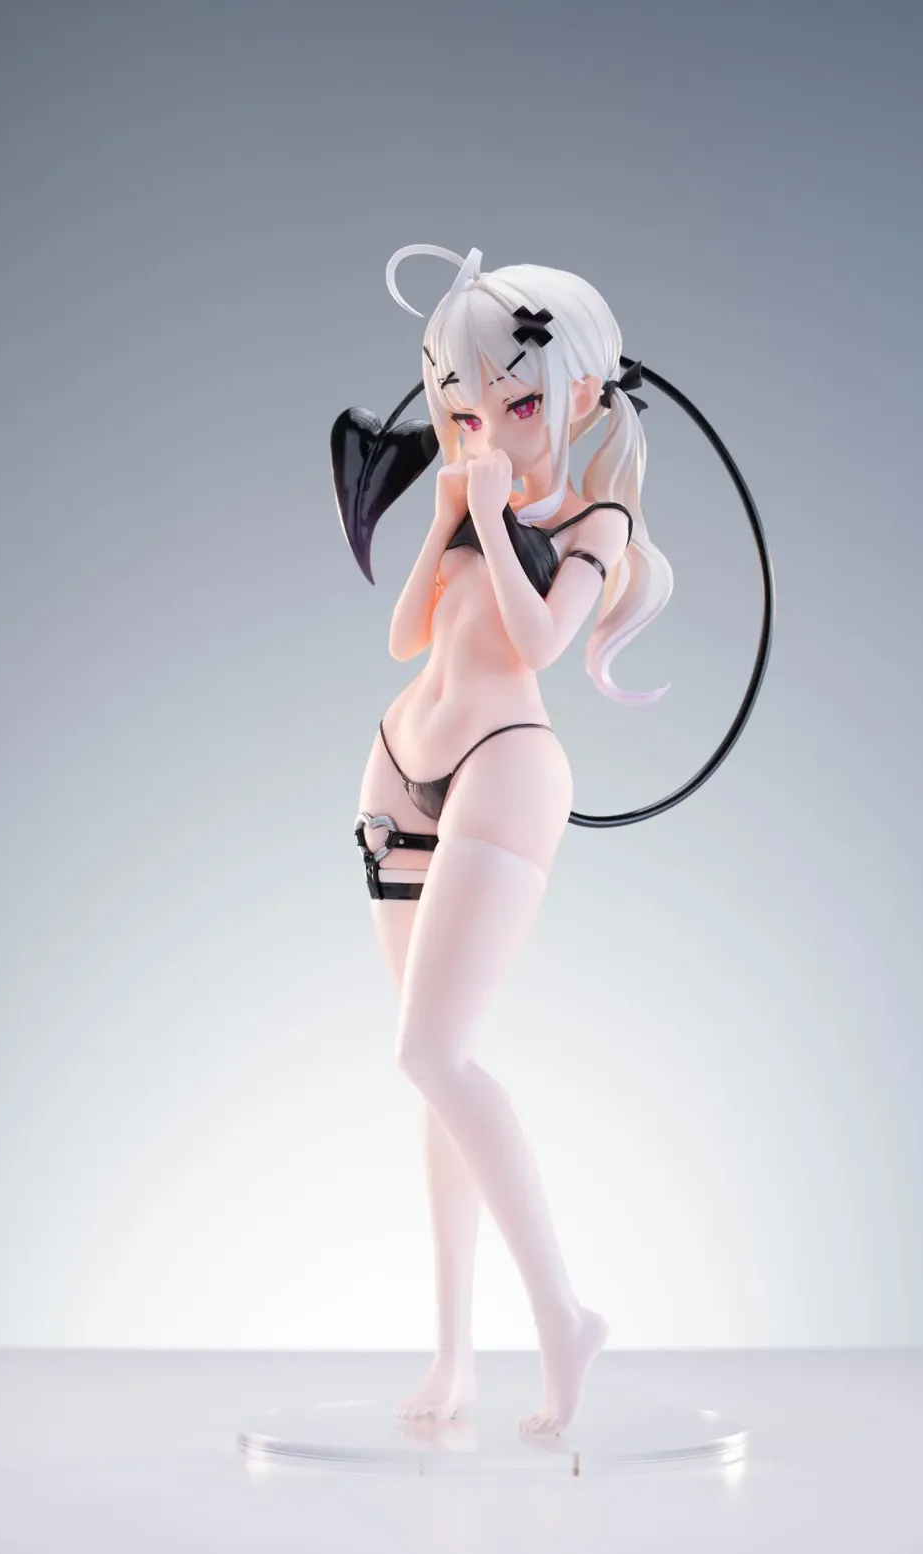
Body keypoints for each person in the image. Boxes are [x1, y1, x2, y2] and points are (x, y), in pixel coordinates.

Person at [349, 243, 673, 1436]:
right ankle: (453, 1361)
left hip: (504, 768)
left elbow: (538, 645)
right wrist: (446, 514)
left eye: (516, 400)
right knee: (431, 1072)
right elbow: (404, 636)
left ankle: (561, 1316)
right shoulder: (470, 495)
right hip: (399, 764)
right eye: (462, 400)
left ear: (580, 392)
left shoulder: (596, 520)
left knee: (433, 1056)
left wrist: (489, 513)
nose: (482, 420)